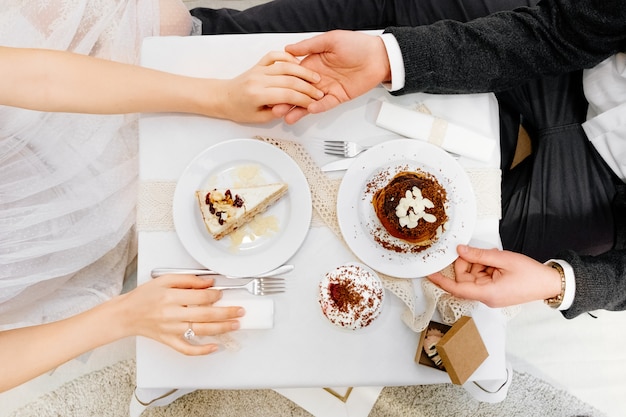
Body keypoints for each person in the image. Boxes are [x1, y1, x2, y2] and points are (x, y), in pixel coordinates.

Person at [191, 0, 626, 318]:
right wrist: (389, 58)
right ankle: (208, 41)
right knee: (410, 7)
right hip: (578, 60)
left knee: (447, 262)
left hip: (605, 192)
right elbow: (558, 32)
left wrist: (562, 283)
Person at [0, 0, 322, 393]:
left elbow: (40, 80)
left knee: (378, 21)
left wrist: (218, 98)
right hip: (85, 245)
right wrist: (124, 316)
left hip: (129, 88)